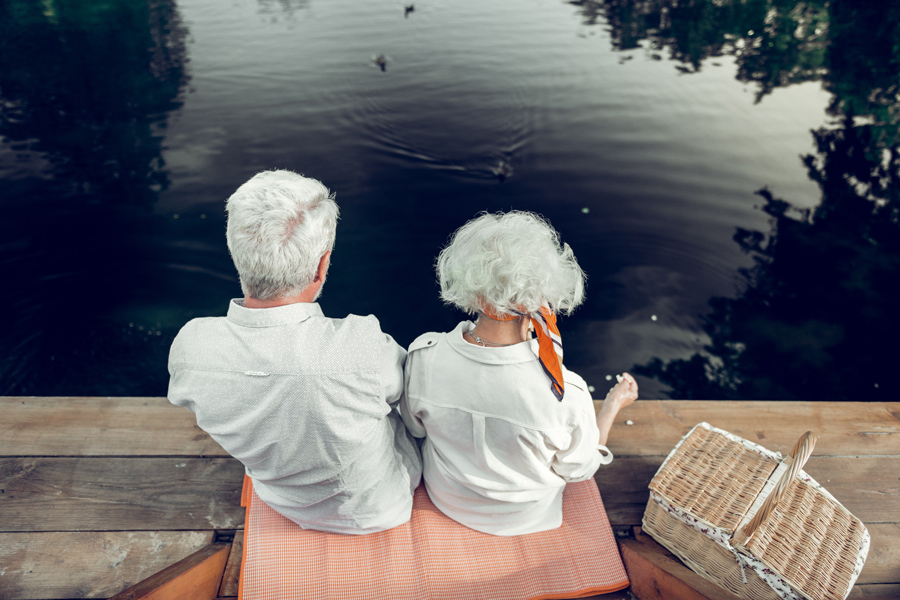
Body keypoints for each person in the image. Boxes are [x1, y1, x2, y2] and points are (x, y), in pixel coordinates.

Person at [167, 170, 422, 535]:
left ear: (236, 254)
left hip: (281, 502)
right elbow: (411, 401)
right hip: (381, 506)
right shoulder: (362, 345)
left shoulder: (191, 347)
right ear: (322, 266)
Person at [401, 211, 637, 536]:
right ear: (541, 296)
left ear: (472, 286)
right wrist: (611, 407)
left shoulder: (424, 356)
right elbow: (580, 468)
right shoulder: (566, 392)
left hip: (447, 499)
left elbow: (415, 427)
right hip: (526, 519)